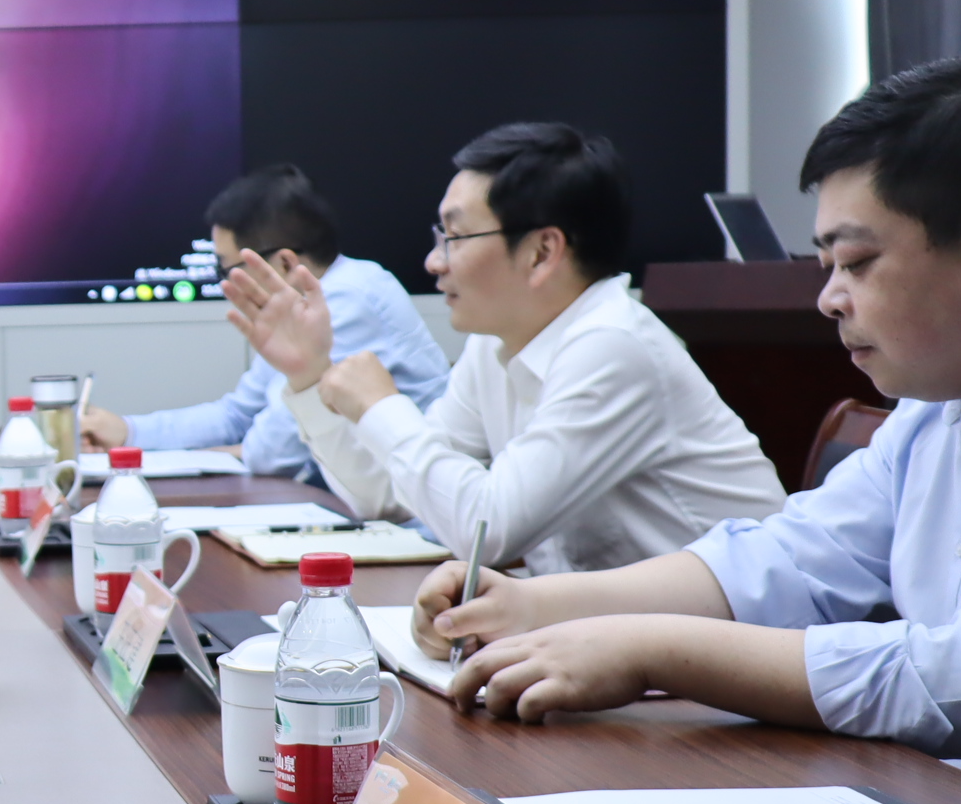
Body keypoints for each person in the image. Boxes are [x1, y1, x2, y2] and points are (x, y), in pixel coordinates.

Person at [425, 60, 961, 786]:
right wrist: (531, 605)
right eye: (827, 265)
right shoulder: (933, 412)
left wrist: (649, 650)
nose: (829, 299)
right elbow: (787, 560)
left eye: (858, 262)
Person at [225, 122, 783, 574]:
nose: (435, 261)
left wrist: (381, 407)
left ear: (542, 252)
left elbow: (486, 530)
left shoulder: (612, 346)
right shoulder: (495, 346)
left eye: (455, 236)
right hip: (622, 636)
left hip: (738, 642)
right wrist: (309, 376)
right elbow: (391, 496)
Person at [80, 164, 451, 480]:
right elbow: (237, 415)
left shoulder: (347, 299)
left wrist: (237, 452)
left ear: (285, 263)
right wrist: (129, 432)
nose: (225, 286)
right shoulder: (301, 305)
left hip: (413, 522)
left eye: (228, 270)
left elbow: (275, 454)